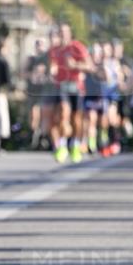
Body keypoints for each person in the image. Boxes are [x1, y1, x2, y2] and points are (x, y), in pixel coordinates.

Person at [48, 22, 91, 164]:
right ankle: (62, 146)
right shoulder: (54, 50)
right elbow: (52, 65)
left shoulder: (77, 47)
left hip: (76, 87)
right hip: (62, 86)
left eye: (65, 32)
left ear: (70, 33)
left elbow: (90, 66)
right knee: (62, 114)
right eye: (60, 32)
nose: (62, 34)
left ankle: (75, 146)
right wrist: (50, 71)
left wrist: (75, 65)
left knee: (76, 119)